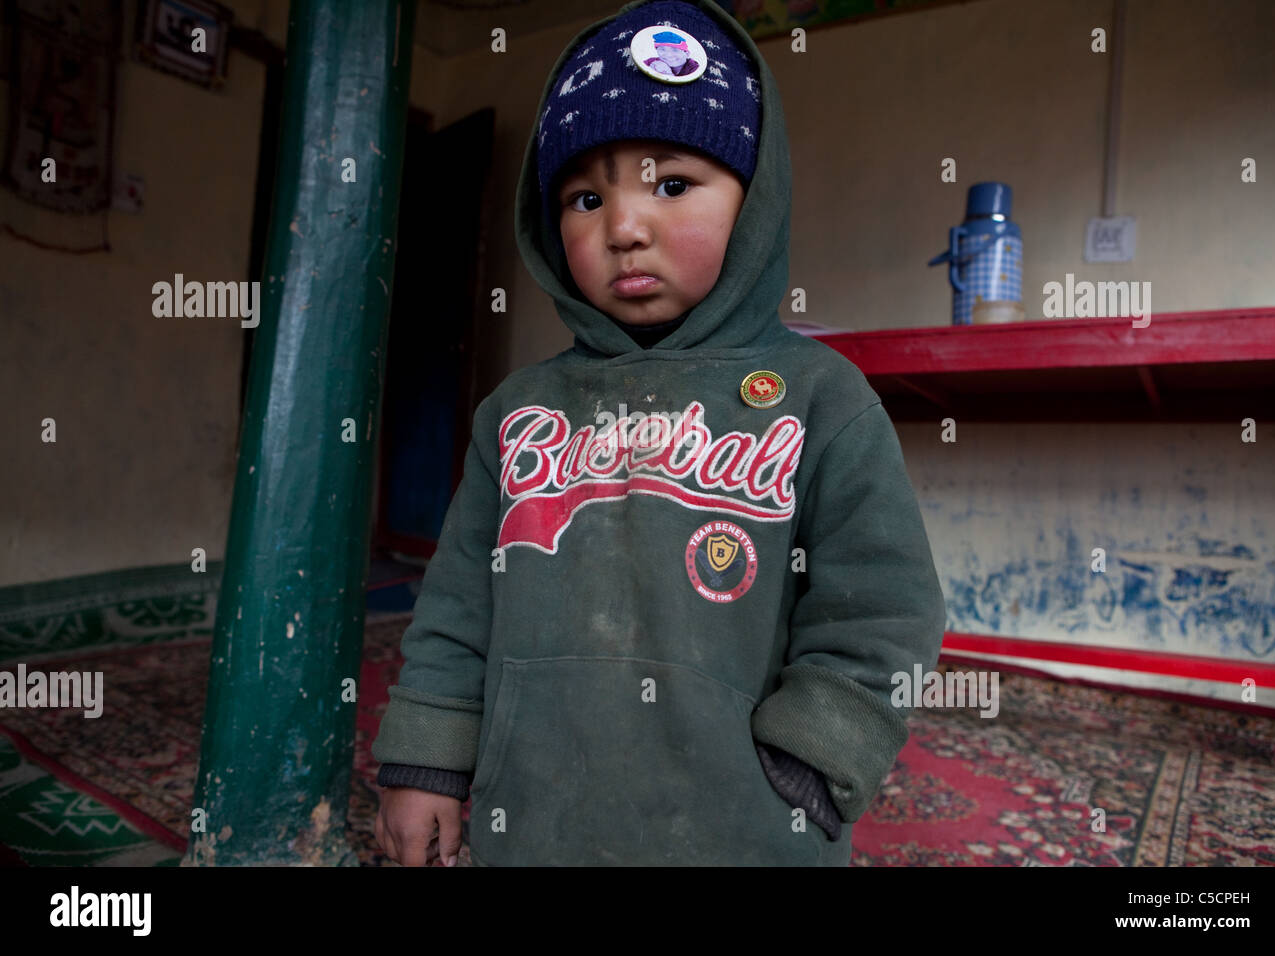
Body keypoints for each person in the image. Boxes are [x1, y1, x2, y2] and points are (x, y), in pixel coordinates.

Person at [372, 0, 946, 867]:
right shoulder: (516, 412)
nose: (624, 228)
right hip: (532, 820)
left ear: (756, 202)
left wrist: (815, 755)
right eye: (583, 196)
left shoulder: (822, 399)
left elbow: (886, 606)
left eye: (671, 184)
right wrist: (426, 762)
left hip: (743, 831)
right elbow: (458, 608)